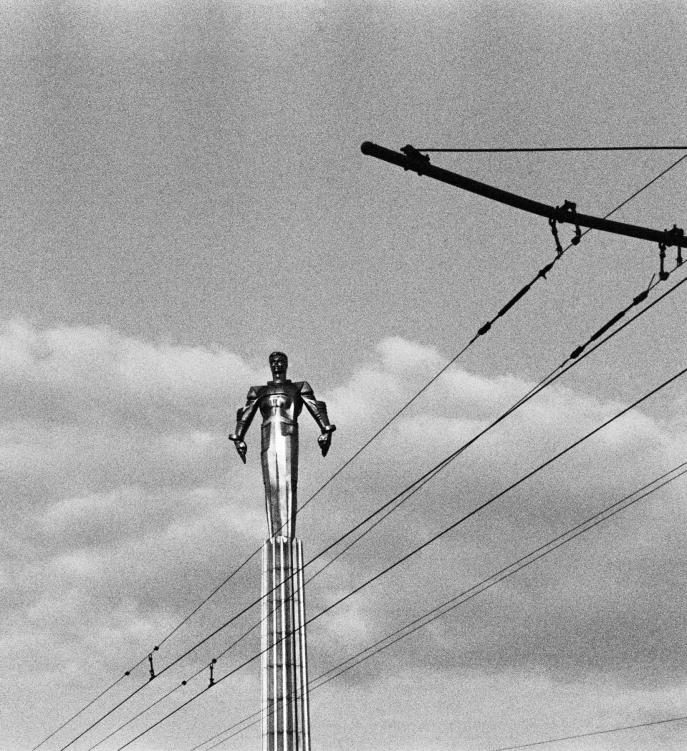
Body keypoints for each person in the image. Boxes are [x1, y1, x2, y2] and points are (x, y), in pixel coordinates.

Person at [229, 352, 335, 539]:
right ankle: (275, 537)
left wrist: (325, 429)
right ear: (270, 366)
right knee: (271, 484)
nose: (277, 365)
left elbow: (315, 406)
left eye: (280, 362)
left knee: (287, 482)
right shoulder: (258, 391)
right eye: (274, 362)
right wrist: (238, 437)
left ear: (286, 364)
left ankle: (286, 537)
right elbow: (246, 414)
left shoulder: (299, 387)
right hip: (267, 436)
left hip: (288, 433)